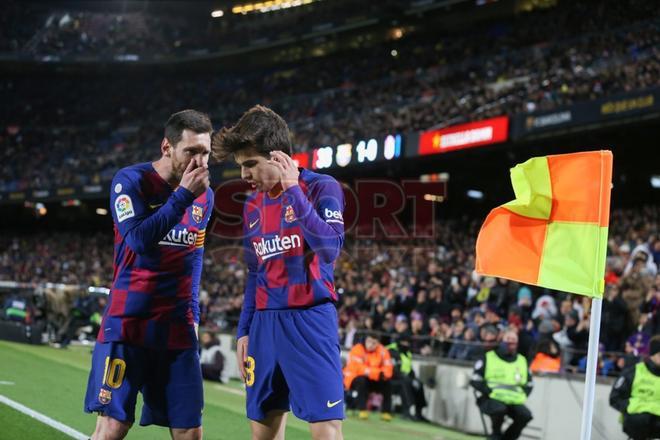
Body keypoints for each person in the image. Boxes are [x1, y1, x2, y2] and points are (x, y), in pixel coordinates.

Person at [212, 105, 345, 440]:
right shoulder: (251, 205)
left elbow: (330, 249)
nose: (244, 174)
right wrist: (244, 331)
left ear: (279, 157)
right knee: (263, 434)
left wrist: (292, 191)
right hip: (264, 325)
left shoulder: (321, 187)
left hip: (310, 321)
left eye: (250, 164)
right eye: (241, 166)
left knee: (326, 431)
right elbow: (255, 273)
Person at [84, 109, 213, 440]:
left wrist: (194, 315)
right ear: (167, 147)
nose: (200, 161)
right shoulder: (130, 181)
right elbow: (139, 240)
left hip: (177, 329)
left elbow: (194, 257)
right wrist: (183, 196)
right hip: (129, 323)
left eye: (206, 153)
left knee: (190, 431)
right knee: (113, 426)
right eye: (192, 151)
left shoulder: (205, 196)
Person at [471, 328, 534, 440]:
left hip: (514, 400)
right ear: (501, 340)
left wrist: (523, 395)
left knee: (525, 416)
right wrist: (488, 391)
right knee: (499, 409)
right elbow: (475, 379)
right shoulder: (489, 357)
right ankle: (496, 434)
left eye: (513, 340)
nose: (510, 343)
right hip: (491, 398)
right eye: (508, 339)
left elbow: (529, 383)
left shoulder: (522, 360)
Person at [609, 335, 660, 440]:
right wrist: (630, 410)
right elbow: (615, 398)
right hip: (636, 428)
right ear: (653, 354)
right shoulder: (634, 372)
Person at [344, 334, 394, 421]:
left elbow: (388, 368)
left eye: (374, 343)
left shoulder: (383, 351)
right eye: (369, 342)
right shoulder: (357, 349)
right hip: (353, 378)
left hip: (373, 379)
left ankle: (386, 412)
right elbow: (358, 368)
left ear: (378, 343)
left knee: (387, 382)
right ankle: (362, 410)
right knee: (362, 381)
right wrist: (377, 373)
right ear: (365, 340)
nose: (371, 345)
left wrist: (382, 375)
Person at [386, 335, 427, 421]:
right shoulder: (391, 350)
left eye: (408, 342)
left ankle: (419, 412)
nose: (406, 344)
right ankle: (406, 411)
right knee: (405, 383)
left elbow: (409, 368)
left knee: (419, 384)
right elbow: (393, 368)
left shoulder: (407, 352)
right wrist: (408, 378)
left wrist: (414, 378)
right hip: (391, 379)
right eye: (404, 342)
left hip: (404, 378)